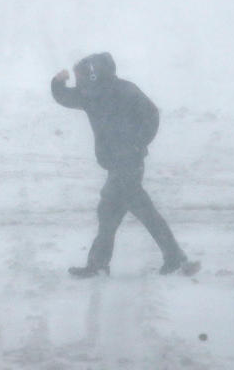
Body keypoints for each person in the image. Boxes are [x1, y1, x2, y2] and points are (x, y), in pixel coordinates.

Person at [51, 52, 195, 277]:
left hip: (129, 163)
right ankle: (171, 256)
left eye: (81, 76)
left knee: (122, 212)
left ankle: (101, 264)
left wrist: (137, 144)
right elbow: (66, 98)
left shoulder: (125, 91)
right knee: (116, 213)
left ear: (94, 75)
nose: (78, 81)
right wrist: (58, 83)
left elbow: (152, 115)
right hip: (116, 165)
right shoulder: (91, 94)